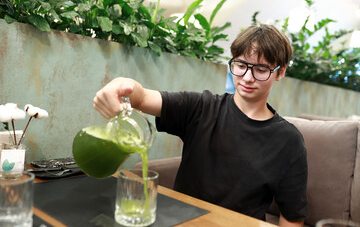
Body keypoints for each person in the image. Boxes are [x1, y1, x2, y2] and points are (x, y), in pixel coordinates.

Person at [93, 24, 308, 227]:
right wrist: (121, 84)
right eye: (241, 66)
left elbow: (291, 217)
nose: (247, 78)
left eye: (261, 70)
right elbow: (142, 97)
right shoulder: (201, 107)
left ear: (280, 72)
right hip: (183, 221)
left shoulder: (288, 140)